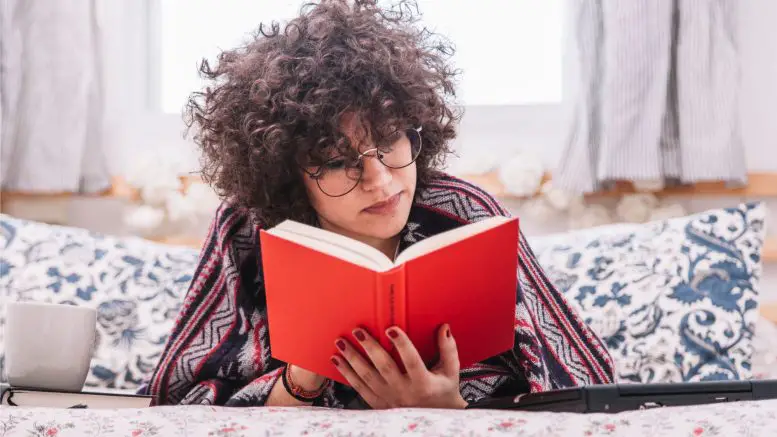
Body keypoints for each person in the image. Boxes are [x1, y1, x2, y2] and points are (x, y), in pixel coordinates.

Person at [142, 0, 614, 409]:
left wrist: (447, 409)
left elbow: (585, 380)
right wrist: (300, 383)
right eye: (336, 162)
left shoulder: (466, 210)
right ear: (285, 176)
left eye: (390, 141)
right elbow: (177, 403)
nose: (380, 180)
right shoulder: (244, 230)